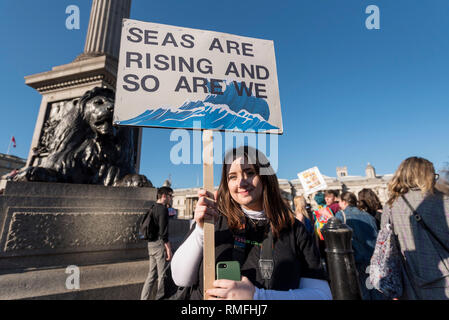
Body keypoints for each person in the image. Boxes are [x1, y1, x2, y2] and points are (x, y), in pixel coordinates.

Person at [171, 146, 332, 300]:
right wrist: (200, 230)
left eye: (249, 173)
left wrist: (257, 297)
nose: (241, 182)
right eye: (232, 177)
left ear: (265, 177)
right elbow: (180, 279)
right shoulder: (213, 221)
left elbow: (322, 295)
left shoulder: (295, 229)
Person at [381, 157, 449, 299]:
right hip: (444, 278)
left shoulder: (391, 206)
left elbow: (387, 247)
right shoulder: (442, 201)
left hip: (409, 282)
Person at [335, 192, 380, 300]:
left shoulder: (341, 215)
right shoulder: (368, 215)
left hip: (355, 257)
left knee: (362, 290)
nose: (339, 204)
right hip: (373, 256)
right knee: (375, 288)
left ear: (344, 202)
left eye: (340, 202)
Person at [140, 186, 174, 300]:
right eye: (170, 196)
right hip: (159, 244)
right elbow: (164, 233)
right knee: (162, 276)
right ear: (164, 196)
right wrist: (168, 249)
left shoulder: (153, 207)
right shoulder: (163, 209)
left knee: (151, 275)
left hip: (151, 244)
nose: (171, 198)